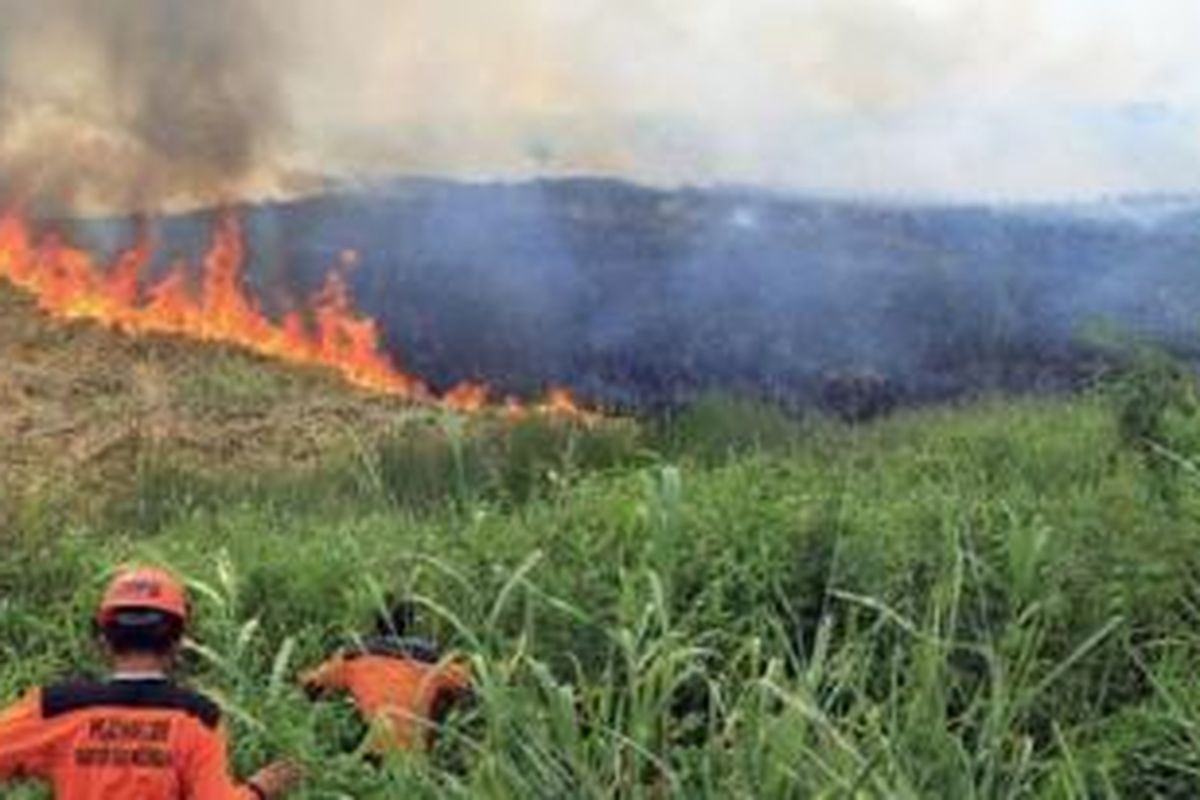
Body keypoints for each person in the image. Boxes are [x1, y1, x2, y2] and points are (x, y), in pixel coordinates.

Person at [0, 565, 303, 799]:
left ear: (104, 643)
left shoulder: (56, 706)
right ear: (177, 645)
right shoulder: (199, 718)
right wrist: (258, 790)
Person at [300, 600, 472, 757]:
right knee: (446, 696)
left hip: (372, 752)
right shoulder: (433, 663)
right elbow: (472, 686)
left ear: (377, 625)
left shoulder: (353, 658)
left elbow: (311, 684)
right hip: (418, 754)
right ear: (410, 626)